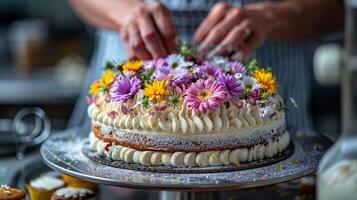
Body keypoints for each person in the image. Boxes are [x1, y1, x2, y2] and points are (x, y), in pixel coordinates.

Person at [68, 0, 344, 131]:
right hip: (130, 84)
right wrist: (124, 13)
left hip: (267, 79)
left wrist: (270, 17)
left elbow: (338, 8)